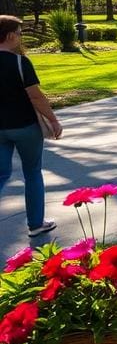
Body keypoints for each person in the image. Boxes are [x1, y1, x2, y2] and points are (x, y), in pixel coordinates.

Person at [0, 16, 62, 238]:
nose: (20, 37)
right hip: (25, 125)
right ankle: (36, 223)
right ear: (9, 36)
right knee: (32, 172)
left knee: (1, 173)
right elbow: (35, 96)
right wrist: (53, 120)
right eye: (19, 32)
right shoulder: (20, 62)